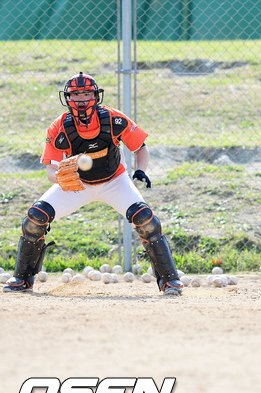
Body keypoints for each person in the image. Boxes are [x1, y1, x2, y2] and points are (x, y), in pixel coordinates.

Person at [3, 72, 183, 296]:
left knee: (146, 220)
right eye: (75, 95)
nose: (81, 99)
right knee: (35, 218)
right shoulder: (59, 126)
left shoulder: (113, 119)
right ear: (67, 98)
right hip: (77, 184)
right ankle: (22, 278)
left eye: (86, 93)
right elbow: (50, 170)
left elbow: (141, 148)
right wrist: (60, 177)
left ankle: (170, 280)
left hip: (115, 181)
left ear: (96, 96)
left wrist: (140, 170)